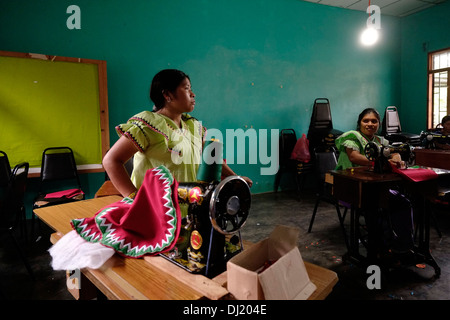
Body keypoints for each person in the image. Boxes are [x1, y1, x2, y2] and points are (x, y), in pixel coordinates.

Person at [103, 69, 252, 199]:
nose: (193, 94)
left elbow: (210, 157)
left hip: (189, 206)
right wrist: (134, 199)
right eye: (187, 89)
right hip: (157, 210)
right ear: (168, 94)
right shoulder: (148, 126)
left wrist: (235, 178)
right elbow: (111, 161)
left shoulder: (192, 126)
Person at [335, 108, 403, 170]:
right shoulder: (353, 137)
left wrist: (396, 158)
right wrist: (382, 163)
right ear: (359, 124)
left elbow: (391, 152)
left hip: (369, 176)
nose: (370, 124)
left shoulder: (380, 140)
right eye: (365, 121)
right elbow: (354, 157)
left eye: (374, 121)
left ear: (379, 124)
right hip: (347, 176)